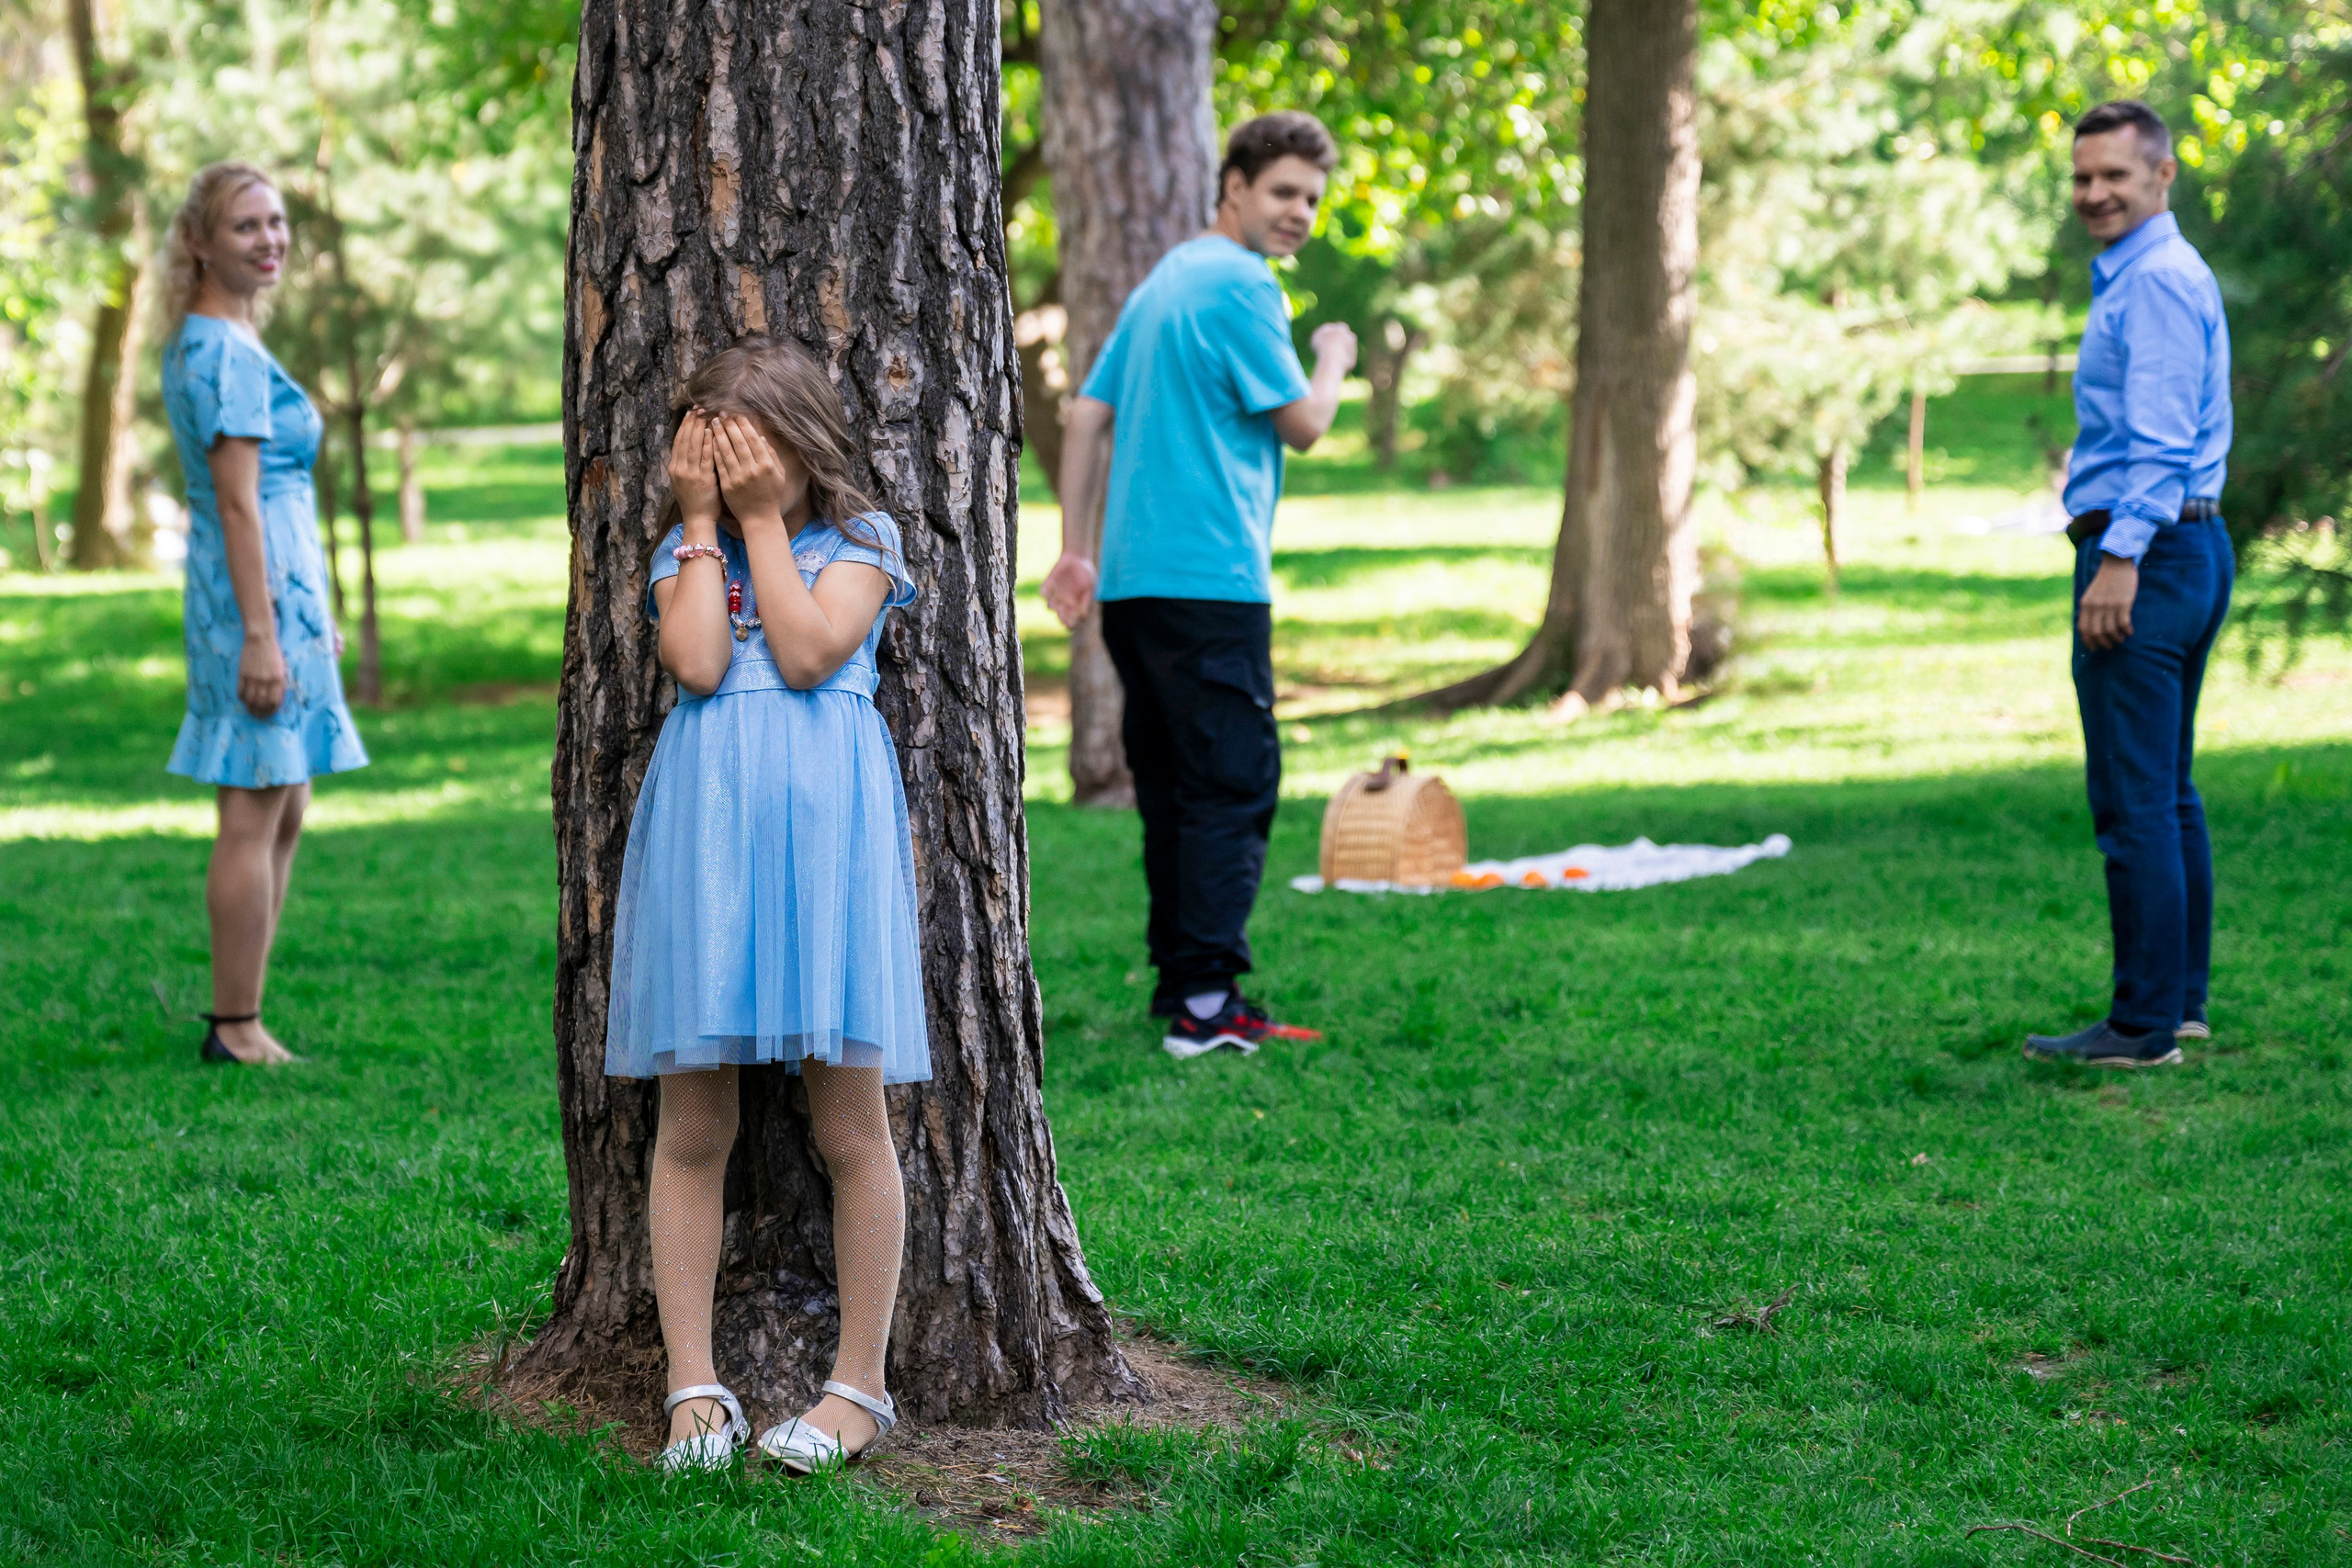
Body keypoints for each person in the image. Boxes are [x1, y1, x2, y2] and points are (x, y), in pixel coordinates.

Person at [604, 338, 928, 1475]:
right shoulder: (683, 554)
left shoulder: (863, 543)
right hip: (711, 854)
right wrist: (702, 525)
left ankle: (859, 1389)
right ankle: (695, 1389)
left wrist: (752, 524)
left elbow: (802, 652)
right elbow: (697, 664)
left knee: (851, 1126)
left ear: (800, 443)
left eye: (750, 447)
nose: (732, 464)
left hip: (825, 854)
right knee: (693, 1127)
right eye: (712, 446)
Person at [1040, 112, 1359, 1060]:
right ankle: (1207, 1007)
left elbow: (1086, 415)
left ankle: (1185, 987)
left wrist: (1076, 549)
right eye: (1283, 192)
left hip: (1138, 587)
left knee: (1179, 787)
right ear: (1234, 186)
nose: (1298, 213)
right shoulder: (1242, 285)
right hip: (1211, 579)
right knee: (1230, 782)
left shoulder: (1167, 278)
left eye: (1311, 198)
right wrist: (1334, 356)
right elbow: (1302, 422)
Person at [2026, 100, 2233, 1071]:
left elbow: (2157, 444)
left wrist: (2117, 558)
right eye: (2081, 178)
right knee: (2168, 793)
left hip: (2146, 558)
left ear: (2162, 175)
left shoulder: (2150, 282)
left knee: (2133, 799)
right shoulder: (2155, 274)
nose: (2094, 193)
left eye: (2114, 175)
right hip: (2189, 548)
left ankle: (2142, 1027)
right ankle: (2176, 1007)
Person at [159, 163, 368, 1066]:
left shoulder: (225, 339)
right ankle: (233, 1024)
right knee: (254, 802)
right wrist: (260, 635)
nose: (270, 239)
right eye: (246, 226)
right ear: (200, 242)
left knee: (284, 799)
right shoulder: (223, 352)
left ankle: (246, 1012)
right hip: (254, 601)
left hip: (279, 594)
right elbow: (238, 503)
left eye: (277, 223)